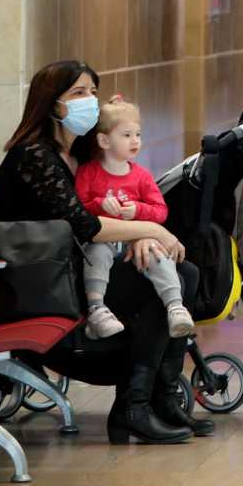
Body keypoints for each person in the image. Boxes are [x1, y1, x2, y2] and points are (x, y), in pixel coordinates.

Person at [0, 61, 211, 444]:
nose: (89, 101)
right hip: (37, 289)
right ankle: (135, 407)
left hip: (75, 272)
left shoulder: (80, 156)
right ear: (52, 104)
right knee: (172, 280)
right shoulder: (35, 156)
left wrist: (140, 235)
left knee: (182, 272)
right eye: (78, 93)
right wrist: (151, 228)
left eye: (92, 91)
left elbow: (107, 211)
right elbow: (86, 226)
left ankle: (155, 399)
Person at [74, 99, 195, 341]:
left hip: (133, 245)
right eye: (127, 135)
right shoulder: (88, 173)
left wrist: (138, 209)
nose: (135, 141)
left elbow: (160, 211)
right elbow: (77, 210)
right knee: (96, 254)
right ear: (104, 141)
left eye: (138, 134)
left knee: (157, 253)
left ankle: (175, 306)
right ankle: (97, 309)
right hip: (103, 241)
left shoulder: (141, 176)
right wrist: (98, 205)